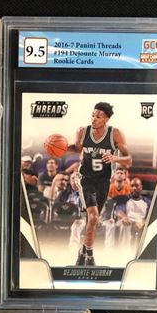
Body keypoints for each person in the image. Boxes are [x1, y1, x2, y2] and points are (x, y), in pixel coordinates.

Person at [67, 102, 132, 266]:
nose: (94, 119)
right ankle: (89, 256)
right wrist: (62, 147)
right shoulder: (82, 131)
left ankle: (82, 252)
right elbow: (77, 148)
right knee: (94, 216)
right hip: (86, 179)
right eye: (93, 115)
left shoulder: (115, 134)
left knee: (93, 221)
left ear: (106, 119)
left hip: (103, 181)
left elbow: (128, 160)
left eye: (98, 116)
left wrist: (114, 158)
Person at [114, 177, 151, 248]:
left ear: (141, 187)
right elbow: (119, 210)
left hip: (141, 223)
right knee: (123, 225)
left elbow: (150, 215)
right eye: (132, 186)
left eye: (136, 186)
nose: (134, 188)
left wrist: (143, 222)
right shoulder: (124, 199)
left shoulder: (147, 202)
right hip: (128, 221)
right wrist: (124, 217)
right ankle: (124, 250)